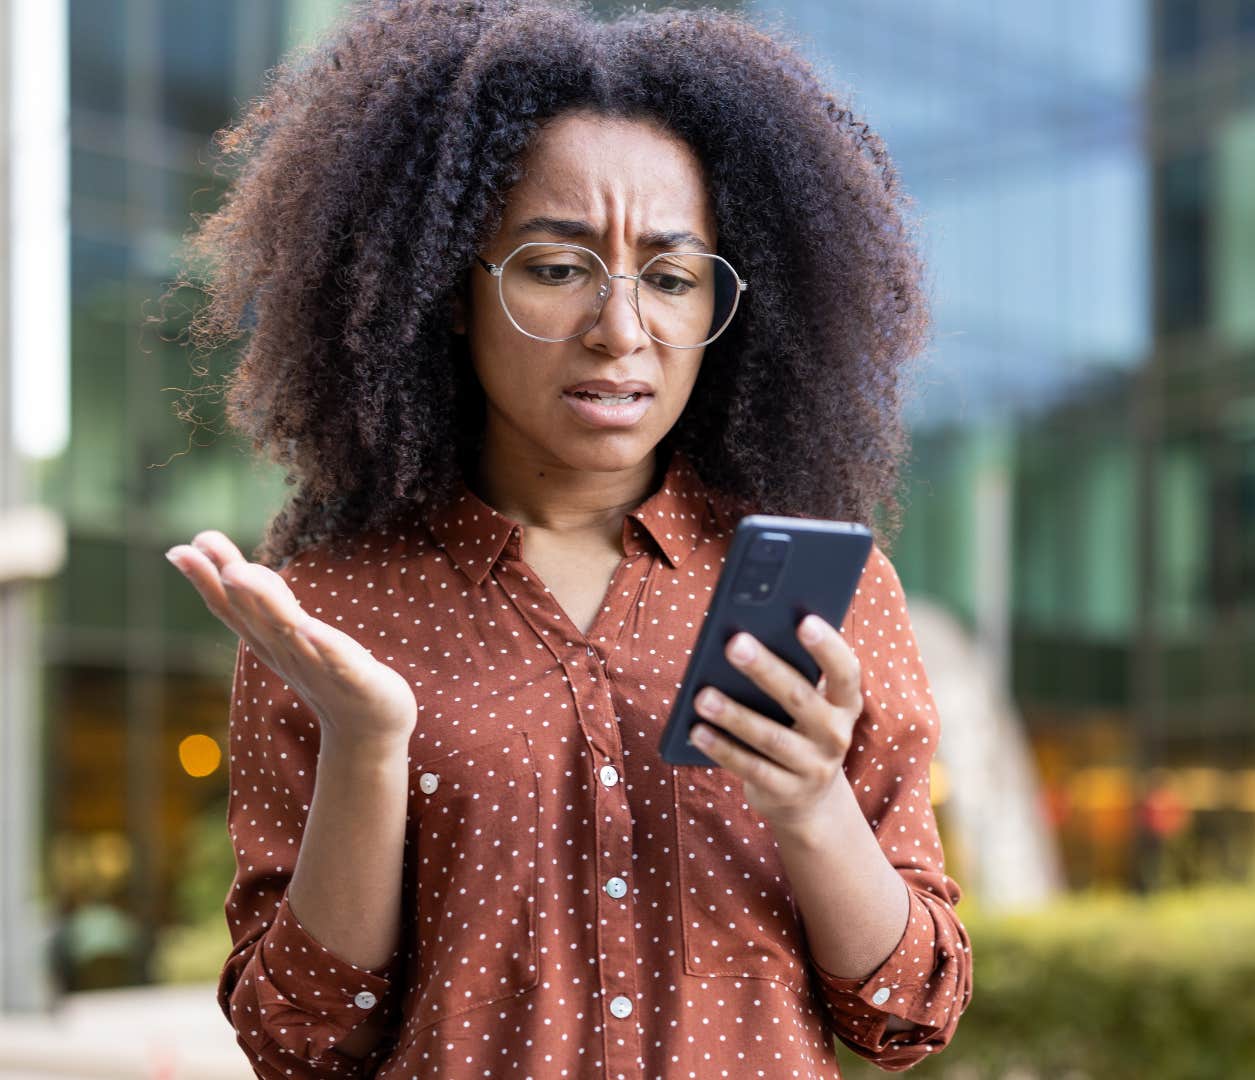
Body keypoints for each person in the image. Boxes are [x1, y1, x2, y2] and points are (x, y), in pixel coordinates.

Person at [163, 1, 970, 1075]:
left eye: (673, 279)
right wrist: (366, 746)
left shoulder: (831, 597)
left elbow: (912, 1011)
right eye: (556, 267)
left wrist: (813, 804)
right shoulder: (331, 616)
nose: (622, 331)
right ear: (454, 287)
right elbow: (301, 1041)